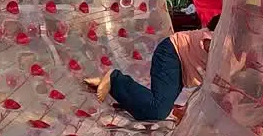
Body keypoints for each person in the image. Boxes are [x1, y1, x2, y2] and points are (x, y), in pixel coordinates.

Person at [85, 15, 219, 121]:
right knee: (158, 109)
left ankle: (123, 95)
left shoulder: (229, 48)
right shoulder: (219, 42)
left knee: (158, 108)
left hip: (181, 67)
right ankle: (114, 79)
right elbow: (217, 71)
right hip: (172, 54)